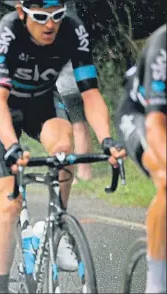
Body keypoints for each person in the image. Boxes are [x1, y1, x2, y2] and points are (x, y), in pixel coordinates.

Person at [0, 0, 126, 292]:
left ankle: (59, 226)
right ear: (22, 13)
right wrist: (12, 148)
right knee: (10, 204)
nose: (50, 24)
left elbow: (91, 93)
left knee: (63, 147)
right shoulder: (8, 32)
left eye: (57, 16)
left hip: (41, 100)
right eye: (41, 17)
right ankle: (0, 284)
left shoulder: (72, 29)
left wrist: (107, 139)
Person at [115, 24, 166, 293]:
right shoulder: (163, 44)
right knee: (165, 178)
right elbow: (155, 124)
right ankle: (156, 283)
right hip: (141, 116)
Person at [56, 61, 93, 183]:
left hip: (67, 86)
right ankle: (86, 170)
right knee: (82, 127)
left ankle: (80, 171)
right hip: (83, 83)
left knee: (76, 128)